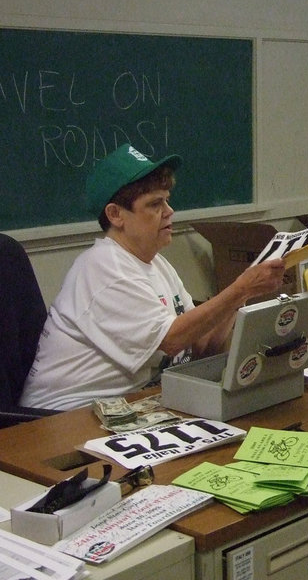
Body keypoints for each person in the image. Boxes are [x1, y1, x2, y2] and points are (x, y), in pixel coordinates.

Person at [20, 143, 286, 411]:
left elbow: (202, 347)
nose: (169, 211)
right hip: (61, 417)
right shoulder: (105, 268)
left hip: (126, 404)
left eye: (167, 200)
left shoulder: (156, 264)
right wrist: (239, 289)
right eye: (155, 204)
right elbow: (171, 341)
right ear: (115, 214)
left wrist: (244, 293)